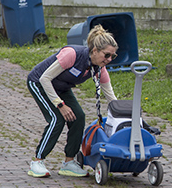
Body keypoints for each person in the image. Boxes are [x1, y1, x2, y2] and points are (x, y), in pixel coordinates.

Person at [26, 25, 118, 178]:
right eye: (106, 55)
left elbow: (111, 98)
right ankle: (37, 162)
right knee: (57, 119)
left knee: (78, 117)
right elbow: (45, 78)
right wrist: (60, 105)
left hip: (61, 87)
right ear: (94, 50)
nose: (109, 60)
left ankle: (69, 163)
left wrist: (125, 117)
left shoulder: (99, 68)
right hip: (39, 83)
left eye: (112, 57)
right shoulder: (72, 55)